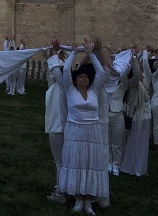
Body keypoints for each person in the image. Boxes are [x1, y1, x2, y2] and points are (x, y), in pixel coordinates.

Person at [58, 39, 108, 215]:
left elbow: (101, 73)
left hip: (92, 131)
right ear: (75, 80)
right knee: (76, 162)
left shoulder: (94, 90)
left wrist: (92, 54)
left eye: (86, 76)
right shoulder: (70, 90)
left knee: (90, 164)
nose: (84, 78)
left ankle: (88, 200)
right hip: (75, 130)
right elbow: (65, 70)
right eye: (81, 76)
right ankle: (78, 199)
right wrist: (73, 53)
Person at [45, 40, 67, 204]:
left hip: (58, 126)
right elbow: (51, 71)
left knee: (60, 162)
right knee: (63, 162)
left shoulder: (64, 87)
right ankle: (65, 188)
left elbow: (54, 70)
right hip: (61, 126)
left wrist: (55, 54)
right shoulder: (60, 86)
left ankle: (61, 191)